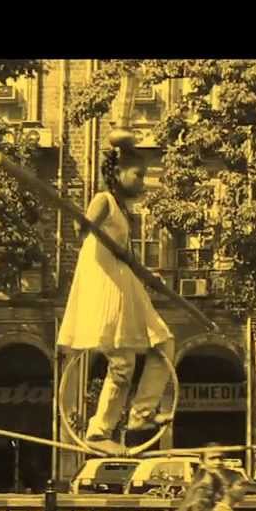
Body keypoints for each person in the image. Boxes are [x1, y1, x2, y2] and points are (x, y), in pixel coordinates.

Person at [57, 130, 174, 456]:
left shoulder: (123, 212)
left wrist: (148, 275)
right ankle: (99, 431)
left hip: (126, 283)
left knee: (164, 342)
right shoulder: (104, 200)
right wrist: (90, 225)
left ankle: (141, 414)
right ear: (119, 173)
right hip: (106, 285)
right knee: (122, 364)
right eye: (138, 174)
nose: (142, 182)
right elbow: (82, 228)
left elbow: (129, 257)